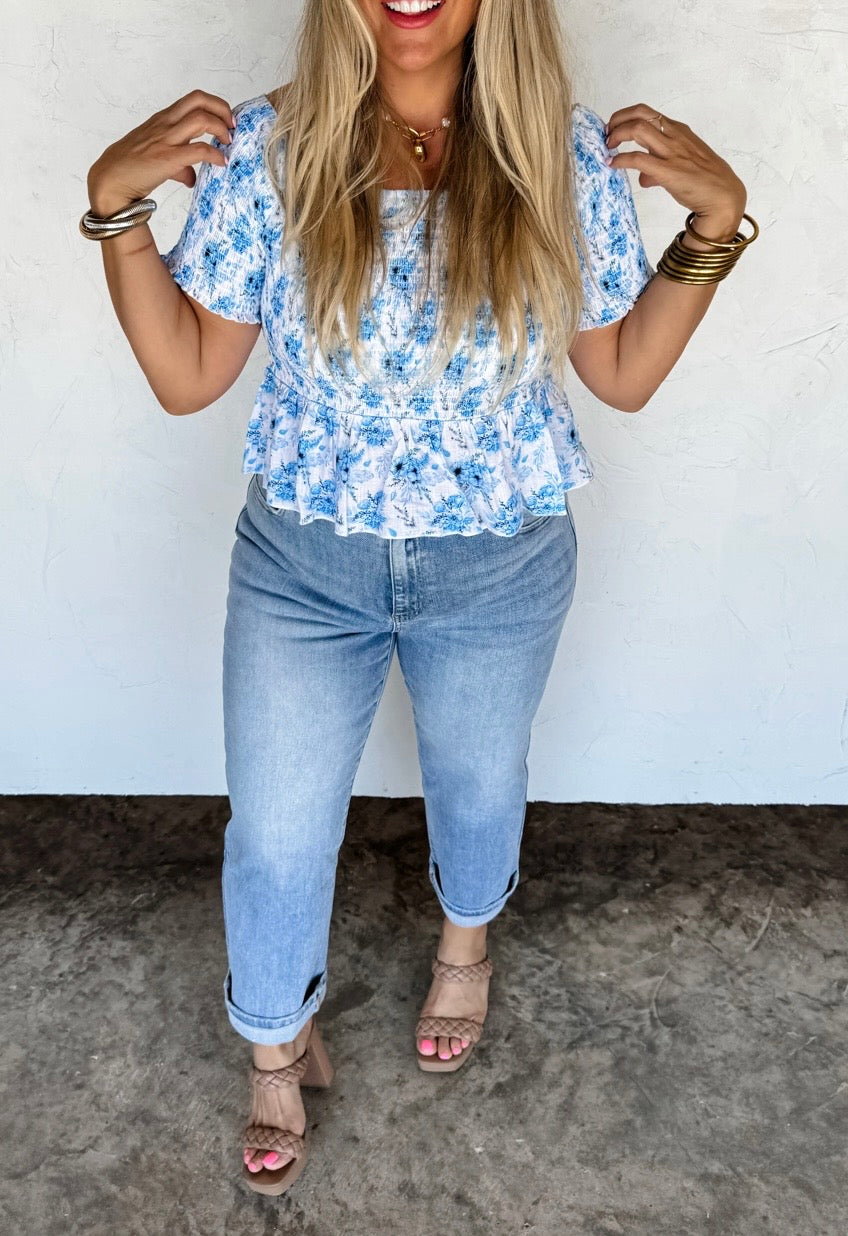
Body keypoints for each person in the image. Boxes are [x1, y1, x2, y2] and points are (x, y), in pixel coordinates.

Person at [82, 0, 755, 1199]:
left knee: (477, 782)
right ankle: (276, 1043)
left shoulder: (561, 155)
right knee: (276, 833)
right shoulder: (267, 152)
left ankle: (464, 943)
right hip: (302, 568)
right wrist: (117, 208)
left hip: (497, 565)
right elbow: (188, 378)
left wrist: (712, 220)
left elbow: (621, 373)